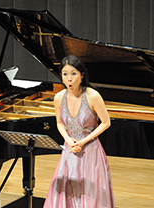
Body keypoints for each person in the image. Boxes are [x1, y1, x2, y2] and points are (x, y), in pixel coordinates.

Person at [43, 55, 115, 208]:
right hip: (69, 150)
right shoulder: (58, 97)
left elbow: (106, 122)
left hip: (90, 150)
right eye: (65, 74)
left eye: (73, 74)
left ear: (82, 75)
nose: (69, 79)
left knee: (90, 194)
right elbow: (59, 123)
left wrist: (83, 141)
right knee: (67, 191)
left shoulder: (92, 96)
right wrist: (69, 141)